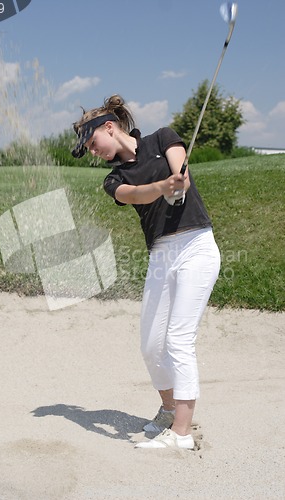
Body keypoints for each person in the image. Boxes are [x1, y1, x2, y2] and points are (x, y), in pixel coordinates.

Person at [72, 94, 221, 450]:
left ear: (109, 127)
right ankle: (169, 410)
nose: (94, 152)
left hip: (195, 247)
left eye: (93, 143)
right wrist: (161, 189)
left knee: (178, 340)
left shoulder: (162, 137)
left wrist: (178, 183)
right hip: (161, 256)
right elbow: (134, 195)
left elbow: (180, 171)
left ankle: (181, 435)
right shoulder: (113, 178)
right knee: (152, 345)